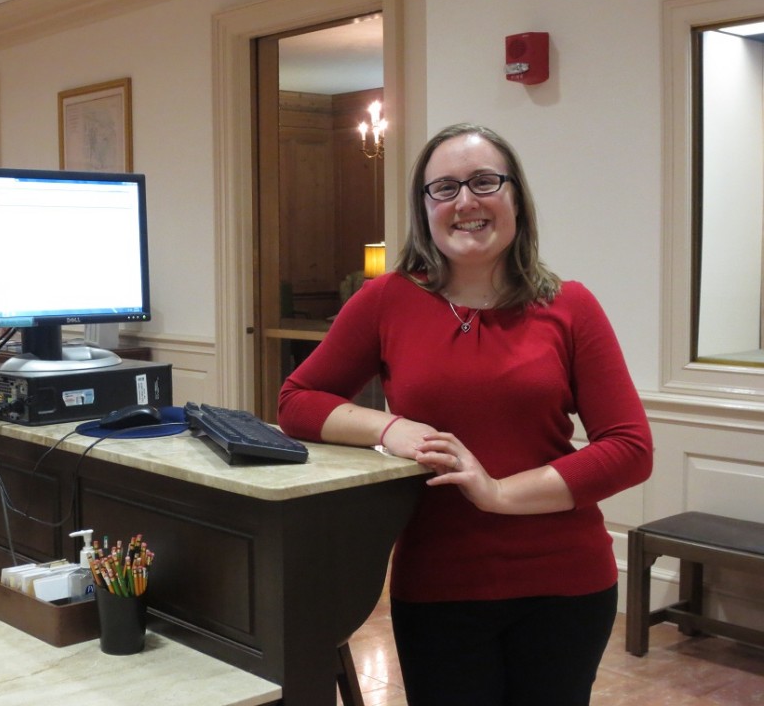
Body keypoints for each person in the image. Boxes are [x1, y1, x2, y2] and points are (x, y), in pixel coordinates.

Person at [277, 122, 653, 706]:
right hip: (440, 584)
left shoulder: (570, 306)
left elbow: (629, 448)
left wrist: (498, 492)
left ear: (515, 198)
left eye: (484, 182)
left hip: (566, 583)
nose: (465, 202)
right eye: (444, 188)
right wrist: (390, 427)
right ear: (423, 207)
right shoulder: (387, 300)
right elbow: (297, 401)